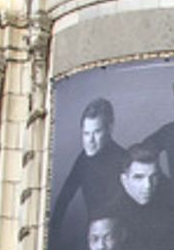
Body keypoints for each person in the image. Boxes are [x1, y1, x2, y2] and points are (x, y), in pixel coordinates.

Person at [52, 98, 128, 235]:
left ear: (109, 129)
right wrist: (51, 233)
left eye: (97, 132)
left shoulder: (124, 159)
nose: (90, 141)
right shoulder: (83, 159)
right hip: (94, 238)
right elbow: (64, 198)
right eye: (86, 134)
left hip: (120, 237)